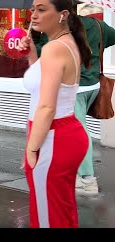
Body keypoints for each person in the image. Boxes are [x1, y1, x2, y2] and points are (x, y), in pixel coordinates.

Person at [19, 0, 91, 228]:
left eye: (41, 9)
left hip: (53, 136)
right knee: (59, 208)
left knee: (47, 215)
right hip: (61, 134)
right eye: (33, 9)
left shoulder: (54, 49)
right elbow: (45, 88)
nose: (34, 15)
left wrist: (31, 149)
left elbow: (47, 106)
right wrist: (32, 56)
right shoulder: (61, 44)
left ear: (63, 15)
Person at [34, 13, 115, 196]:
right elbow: (111, 37)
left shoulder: (57, 27)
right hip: (93, 85)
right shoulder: (97, 24)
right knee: (70, 130)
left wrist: (34, 37)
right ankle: (74, 173)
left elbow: (41, 53)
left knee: (79, 131)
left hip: (75, 89)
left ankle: (87, 180)